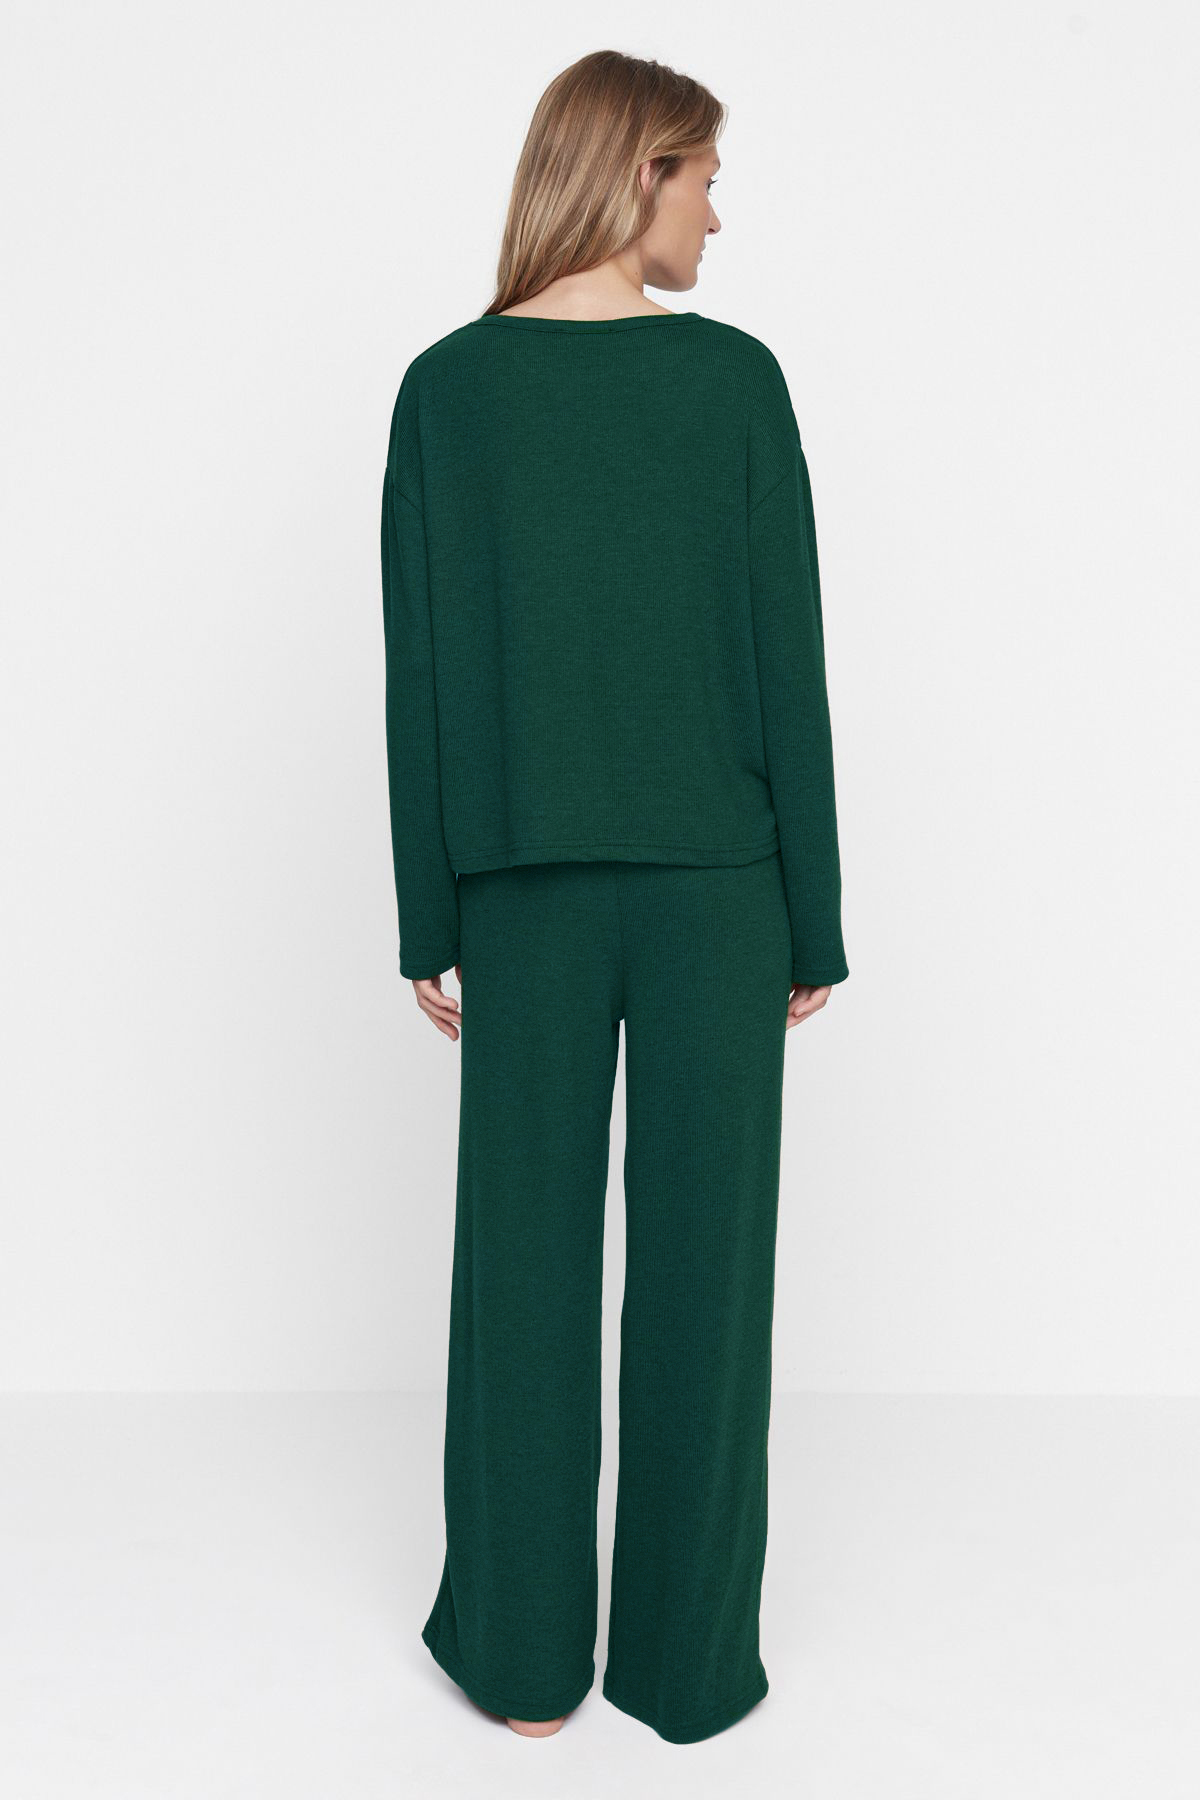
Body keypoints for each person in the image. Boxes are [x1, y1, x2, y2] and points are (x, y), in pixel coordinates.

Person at [380, 48, 849, 1746]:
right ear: (639, 168)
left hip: (528, 895)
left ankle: (523, 1669)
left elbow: (423, 670)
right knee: (708, 1283)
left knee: (522, 1273)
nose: (719, 214)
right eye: (705, 177)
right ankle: (685, 1666)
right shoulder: (730, 385)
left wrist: (432, 912)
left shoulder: (449, 389)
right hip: (720, 891)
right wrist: (814, 912)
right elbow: (786, 660)